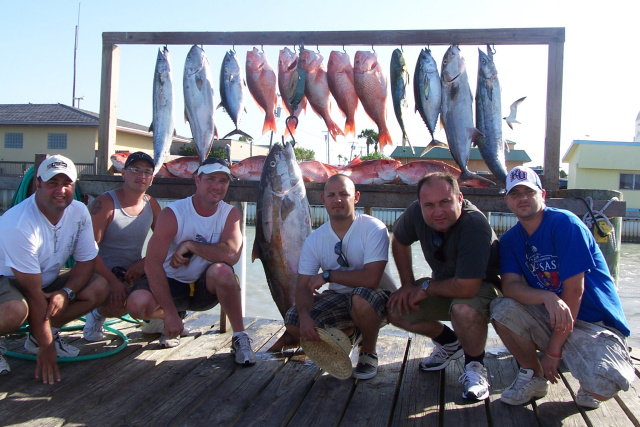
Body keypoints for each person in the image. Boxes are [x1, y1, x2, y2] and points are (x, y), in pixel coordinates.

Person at [491, 166, 634, 408]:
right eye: (515, 194)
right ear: (507, 200)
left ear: (542, 195)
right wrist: (547, 296)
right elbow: (511, 287)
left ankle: (599, 360)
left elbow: (574, 292)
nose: (523, 198)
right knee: (501, 309)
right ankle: (533, 376)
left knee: (603, 385)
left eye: (529, 191)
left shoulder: (566, 224)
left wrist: (554, 350)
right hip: (553, 315)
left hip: (594, 323)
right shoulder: (509, 240)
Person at [125, 157, 256, 365]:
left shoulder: (230, 213)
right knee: (136, 304)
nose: (217, 186)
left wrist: (192, 245)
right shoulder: (173, 213)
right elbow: (152, 264)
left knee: (223, 271)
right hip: (170, 283)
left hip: (204, 289)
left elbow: (232, 255)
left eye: (223, 181)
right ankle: (169, 318)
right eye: (211, 179)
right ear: (197, 181)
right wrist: (169, 313)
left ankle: (240, 336)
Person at [386, 172, 501, 401]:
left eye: (445, 202)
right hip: (442, 284)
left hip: (484, 287)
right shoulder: (416, 213)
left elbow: (467, 288)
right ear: (420, 204)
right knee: (395, 308)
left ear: (459, 198)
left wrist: (426, 288)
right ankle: (450, 343)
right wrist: (408, 284)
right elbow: (399, 240)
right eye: (429, 205)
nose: (437, 211)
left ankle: (475, 366)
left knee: (463, 309)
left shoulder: (474, 224)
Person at [0, 155, 108, 384]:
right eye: (52, 183)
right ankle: (42, 337)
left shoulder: (79, 211)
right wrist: (48, 347)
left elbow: (87, 261)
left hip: (44, 279)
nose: (60, 190)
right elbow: (32, 292)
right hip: (7, 279)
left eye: (66, 183)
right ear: (37, 184)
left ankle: (37, 336)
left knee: (99, 286)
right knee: (16, 311)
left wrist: (65, 293)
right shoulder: (19, 223)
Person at [284, 174, 397, 380]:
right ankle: (351, 331)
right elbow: (302, 287)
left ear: (356, 197)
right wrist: (305, 317)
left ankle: (368, 352)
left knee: (360, 298)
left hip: (378, 297)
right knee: (293, 321)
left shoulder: (374, 228)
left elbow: (371, 279)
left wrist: (328, 276)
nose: (337, 200)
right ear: (323, 199)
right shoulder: (314, 240)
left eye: (344, 194)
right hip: (339, 298)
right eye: (332, 195)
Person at [82, 152, 161, 341]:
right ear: (123, 173)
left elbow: (165, 244)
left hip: (134, 272)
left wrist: (144, 263)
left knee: (173, 279)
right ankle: (95, 313)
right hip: (102, 273)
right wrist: (112, 282)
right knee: (117, 304)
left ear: (152, 178)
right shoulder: (105, 203)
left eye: (147, 172)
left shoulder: (151, 204)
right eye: (135, 170)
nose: (141, 176)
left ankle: (158, 321)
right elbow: (87, 252)